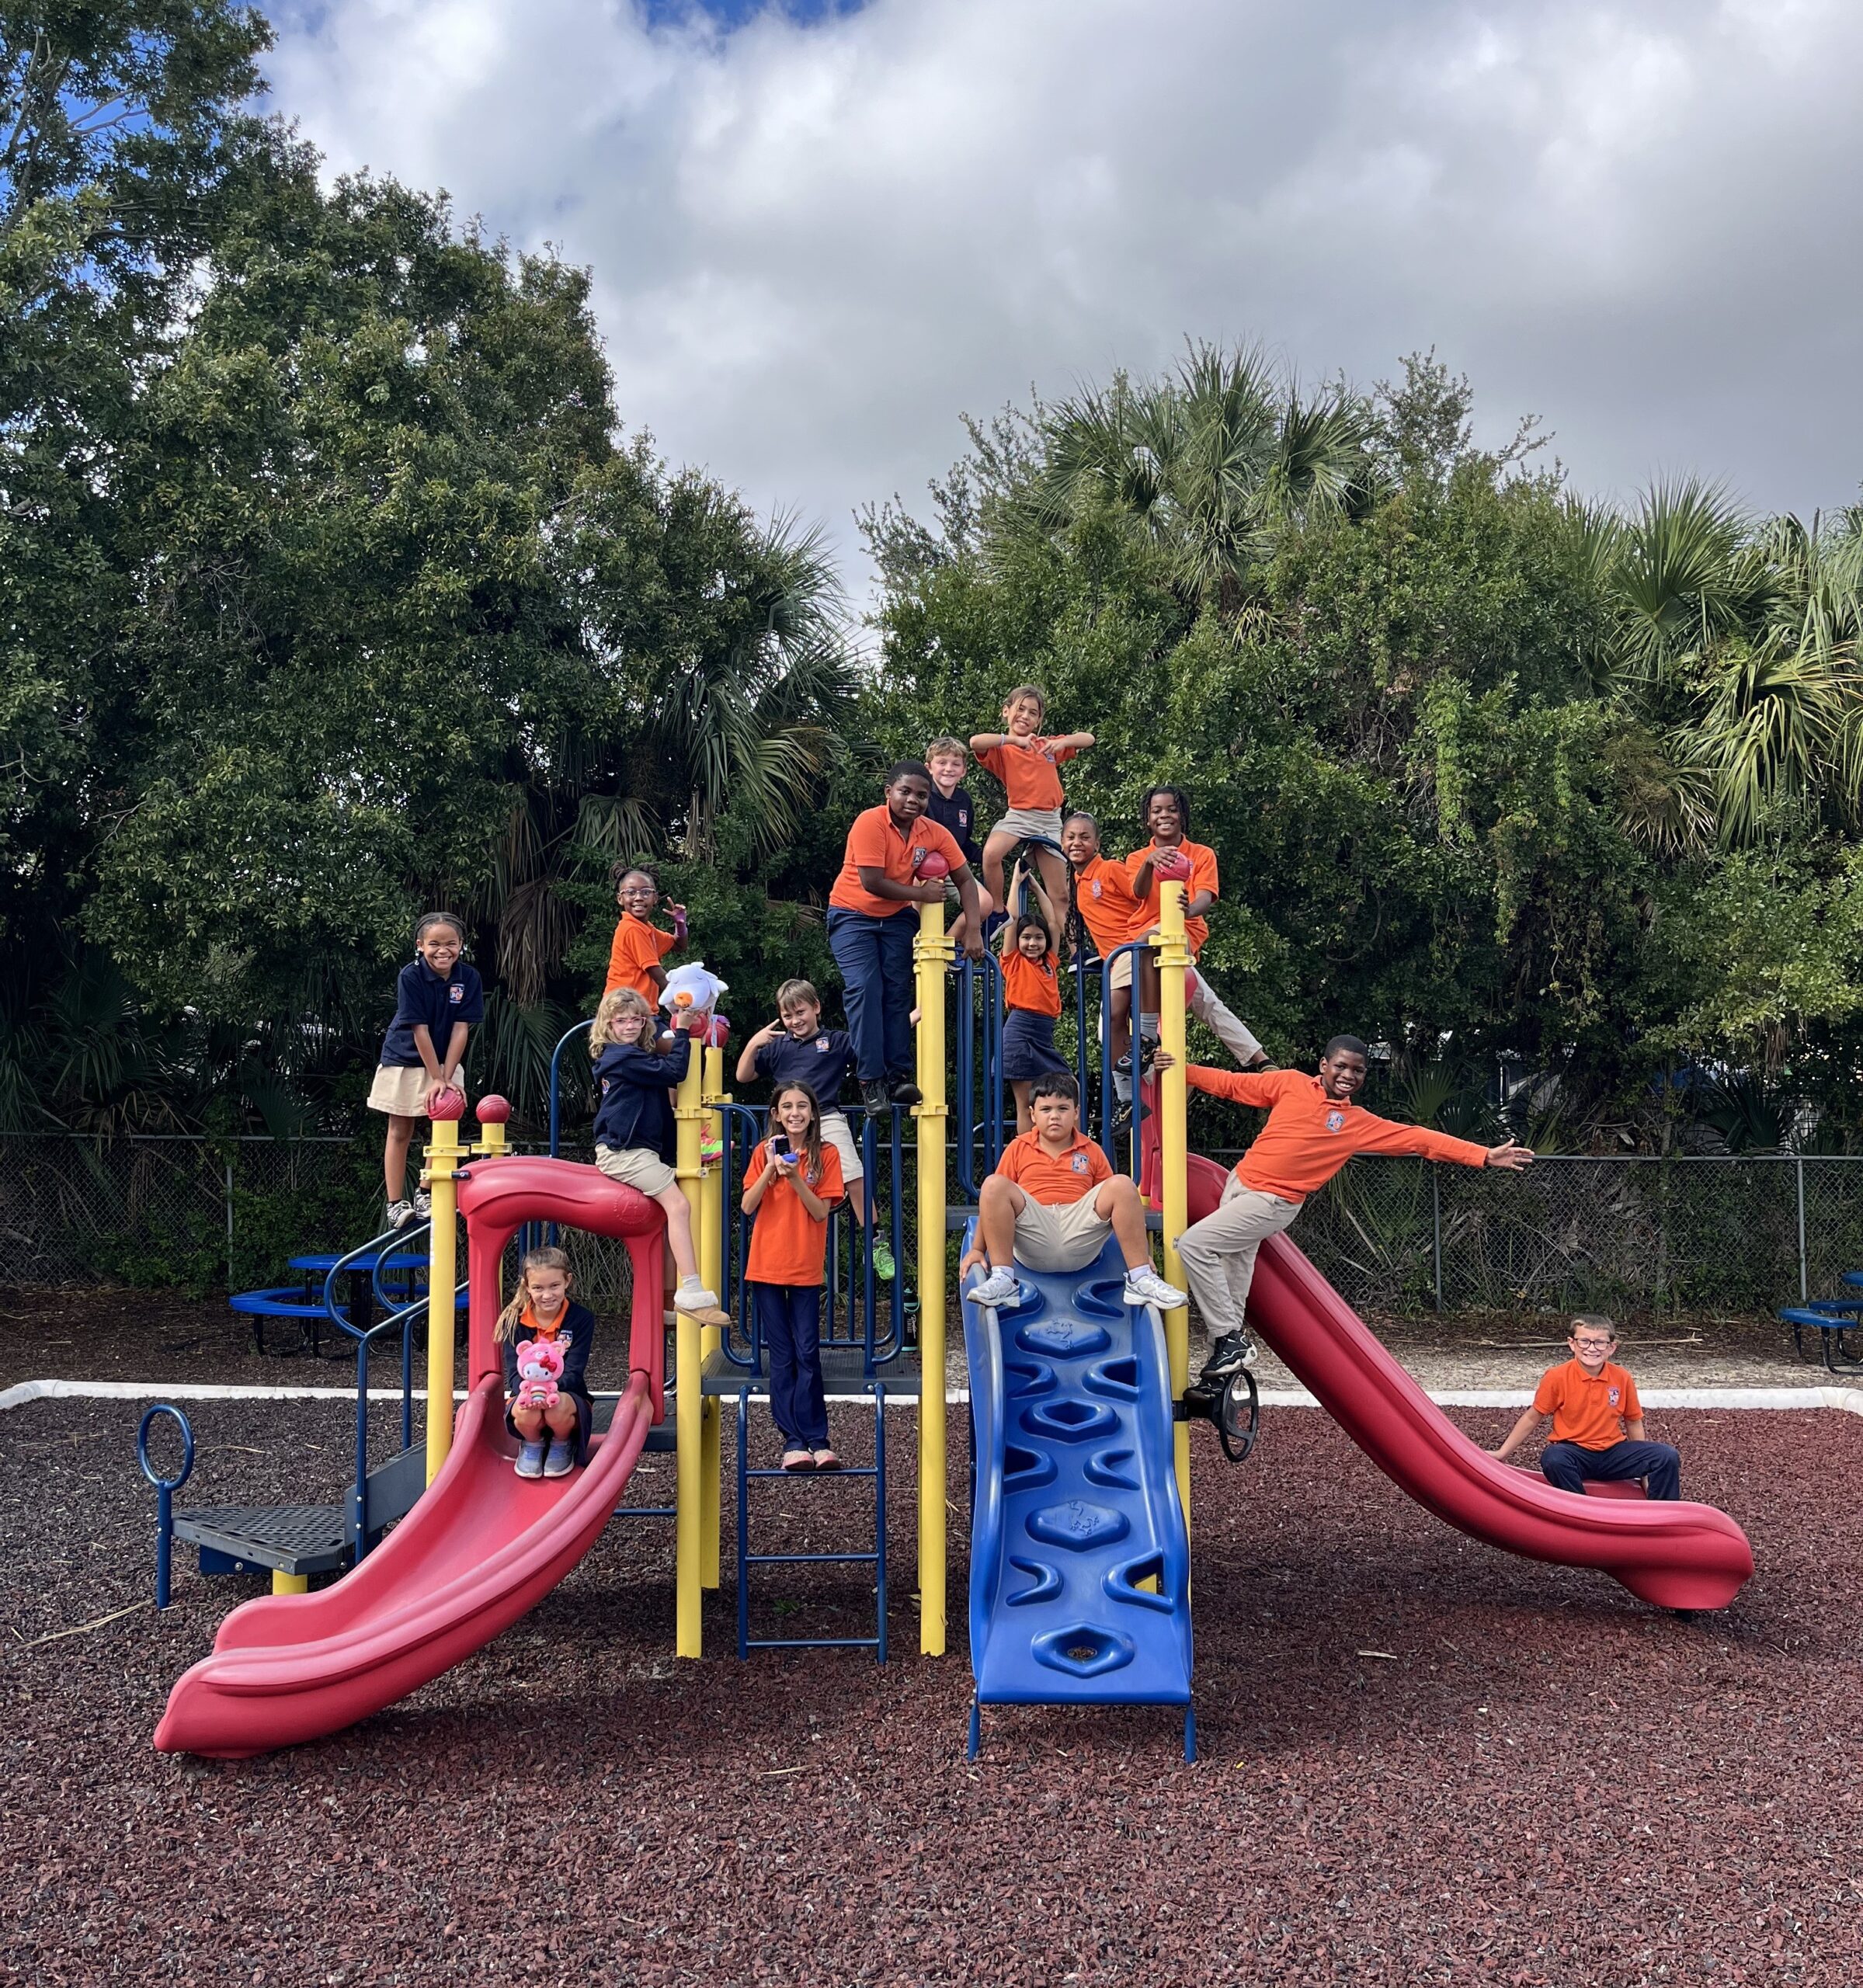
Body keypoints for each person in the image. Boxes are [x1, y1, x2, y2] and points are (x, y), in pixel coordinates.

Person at [1153, 1035, 1535, 1386]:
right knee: (1234, 1280)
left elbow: (1418, 1139)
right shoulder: (1289, 1084)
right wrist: (1178, 1070)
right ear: (1323, 1065)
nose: (1349, 1075)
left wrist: (1483, 1155)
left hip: (1273, 1201)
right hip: (1239, 1186)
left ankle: (1229, 1340)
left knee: (1194, 1245)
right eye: (1342, 1066)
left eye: (1358, 1070)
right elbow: (1232, 1084)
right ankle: (1225, 1365)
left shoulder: (1355, 1123)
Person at [827, 760, 985, 1112]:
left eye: (922, 795)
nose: (913, 800)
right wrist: (923, 895)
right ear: (889, 793)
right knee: (866, 988)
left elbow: (964, 880)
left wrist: (973, 929)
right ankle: (870, 1080)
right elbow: (873, 882)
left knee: (897, 991)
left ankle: (899, 1076)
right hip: (853, 915)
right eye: (905, 791)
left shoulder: (934, 832)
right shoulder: (870, 822)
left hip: (895, 919)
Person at [961, 1072, 1187, 1312]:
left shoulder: (1091, 1150)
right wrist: (977, 1250)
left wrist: (1141, 1256)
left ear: (1076, 1113)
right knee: (994, 1184)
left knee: (1121, 1184)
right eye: (1046, 1109)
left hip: (1079, 1233)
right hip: (1034, 1231)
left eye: (1063, 1108)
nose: (1055, 1116)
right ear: (1033, 1115)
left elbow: (1116, 1203)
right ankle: (1004, 1279)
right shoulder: (1019, 1147)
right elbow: (993, 1205)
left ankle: (1140, 1278)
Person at [735, 977, 894, 1281]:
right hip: (788, 1122)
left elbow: (875, 1043)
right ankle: (776, 1247)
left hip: (825, 1117)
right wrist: (755, 1042)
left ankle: (876, 1243)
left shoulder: (835, 1041)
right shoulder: (778, 1046)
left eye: (801, 1012)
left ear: (816, 1007)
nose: (795, 1021)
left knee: (854, 1175)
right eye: (788, 1016)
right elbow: (743, 1076)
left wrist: (919, 1013)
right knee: (775, 1174)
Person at [589, 987, 729, 1326]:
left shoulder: (635, 1057)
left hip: (638, 1149)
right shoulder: (621, 1056)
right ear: (607, 1024)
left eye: (636, 1019)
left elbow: (663, 1090)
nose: (629, 1026)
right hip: (624, 1152)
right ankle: (692, 1293)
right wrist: (682, 1030)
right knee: (680, 1206)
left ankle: (668, 1301)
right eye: (620, 1020)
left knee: (669, 1222)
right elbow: (675, 1072)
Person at [741, 1081, 846, 1471]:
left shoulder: (827, 1154)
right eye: (787, 1106)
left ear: (814, 1114)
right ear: (776, 1114)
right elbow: (748, 1206)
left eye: (803, 1105)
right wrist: (771, 1168)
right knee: (782, 1357)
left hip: (804, 1267)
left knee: (807, 1353)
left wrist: (796, 1176)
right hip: (766, 1266)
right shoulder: (760, 1153)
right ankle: (793, 1441)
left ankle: (819, 1438)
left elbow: (821, 1213)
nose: (795, 1112)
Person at [367, 911, 484, 1229]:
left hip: (446, 1061)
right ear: (420, 945)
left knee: (443, 1129)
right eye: (434, 944)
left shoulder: (468, 977)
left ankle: (425, 1191)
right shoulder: (411, 976)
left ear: (461, 945)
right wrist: (437, 1078)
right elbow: (419, 1030)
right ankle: (395, 1204)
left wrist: (447, 1076)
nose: (442, 950)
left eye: (451, 943)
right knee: (400, 1130)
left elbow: (462, 1029)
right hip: (406, 1058)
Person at [1488, 1315, 1681, 1500]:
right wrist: (1502, 1453)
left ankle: (1662, 1517)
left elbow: (1633, 1421)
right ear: (1572, 1343)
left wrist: (1644, 1468)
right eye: (1584, 1341)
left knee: (1666, 1456)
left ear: (1612, 1347)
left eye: (1600, 1342)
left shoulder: (1622, 1378)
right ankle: (1581, 1513)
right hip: (1574, 1453)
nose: (1592, 1348)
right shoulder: (1557, 1377)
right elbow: (1533, 1417)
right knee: (1554, 1459)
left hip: (1612, 1452)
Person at [969, 684, 1094, 918]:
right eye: (1021, 709)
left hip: (1049, 820)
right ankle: (997, 911)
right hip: (1020, 816)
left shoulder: (1045, 745)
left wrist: (1064, 742)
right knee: (991, 853)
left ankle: (1076, 950)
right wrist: (1013, 741)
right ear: (1006, 711)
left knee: (1060, 895)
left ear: (1038, 721)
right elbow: (975, 742)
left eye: (1033, 713)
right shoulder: (1002, 748)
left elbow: (1088, 738)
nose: (1025, 716)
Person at [495, 1246, 596, 1479]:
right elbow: (514, 1374)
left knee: (556, 1409)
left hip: (566, 1394)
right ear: (527, 1286)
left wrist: (548, 1390)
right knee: (524, 1411)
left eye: (555, 1286)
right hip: (527, 1392)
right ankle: (533, 1443)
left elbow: (574, 1371)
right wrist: (533, 1392)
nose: (547, 1295)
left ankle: (562, 1443)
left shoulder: (581, 1319)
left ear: (567, 1281)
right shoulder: (515, 1321)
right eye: (538, 1288)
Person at [997, 858, 1069, 1135]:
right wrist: (1016, 882)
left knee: (1065, 1088)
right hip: (1019, 1030)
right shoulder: (1014, 961)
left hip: (1043, 1034)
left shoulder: (1049, 962)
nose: (1032, 943)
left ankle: (1055, 1146)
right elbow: (1012, 920)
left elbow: (1051, 919)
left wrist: (1035, 883)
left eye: (1038, 938)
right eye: (1026, 938)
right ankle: (1027, 1153)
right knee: (1026, 1102)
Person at [924, 735, 994, 949]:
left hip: (952, 868)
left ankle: (947, 942)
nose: (948, 769)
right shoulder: (922, 795)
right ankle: (918, 941)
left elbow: (963, 843)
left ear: (963, 771)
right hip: (921, 867)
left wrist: (991, 856)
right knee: (917, 894)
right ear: (929, 767)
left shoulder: (964, 800)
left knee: (985, 903)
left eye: (956, 764)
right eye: (942, 763)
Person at [603, 864, 687, 1000]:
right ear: (620, 898)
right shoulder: (631, 928)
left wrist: (680, 926)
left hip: (639, 1009)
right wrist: (687, 999)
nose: (639, 898)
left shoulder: (647, 929)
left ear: (655, 898)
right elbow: (658, 975)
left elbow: (679, 946)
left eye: (646, 892)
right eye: (631, 892)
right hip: (624, 1010)